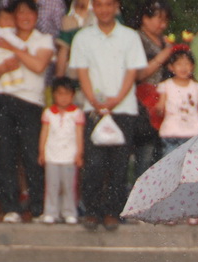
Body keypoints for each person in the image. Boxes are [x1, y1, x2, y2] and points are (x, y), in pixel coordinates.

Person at [69, 0, 146, 231]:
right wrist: (94, 100)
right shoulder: (83, 37)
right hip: (93, 109)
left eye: (108, 5)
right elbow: (81, 71)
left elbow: (132, 71)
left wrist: (114, 100)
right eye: (99, 5)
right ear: (94, 7)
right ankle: (92, 211)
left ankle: (113, 212)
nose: (104, 10)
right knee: (94, 163)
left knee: (119, 164)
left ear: (116, 7)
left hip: (123, 108)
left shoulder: (130, 36)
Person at [0, 1, 53, 223]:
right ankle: (10, 207)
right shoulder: (2, 36)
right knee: (5, 155)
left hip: (30, 102)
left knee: (32, 156)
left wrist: (14, 49)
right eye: (21, 12)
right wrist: (3, 67)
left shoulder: (43, 39)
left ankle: (38, 208)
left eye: (30, 12)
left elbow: (39, 65)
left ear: (37, 15)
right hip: (1, 99)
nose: (25, 16)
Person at [134, 0, 173, 178]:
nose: (162, 24)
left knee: (161, 155)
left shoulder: (163, 41)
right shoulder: (137, 38)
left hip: (163, 104)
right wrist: (162, 57)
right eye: (159, 19)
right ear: (145, 18)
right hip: (143, 105)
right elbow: (139, 74)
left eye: (165, 20)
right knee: (145, 155)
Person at [37, 76, 84, 225]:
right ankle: (51, 212)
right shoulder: (49, 113)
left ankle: (69, 212)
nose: (63, 98)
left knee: (68, 186)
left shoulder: (76, 113)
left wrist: (79, 153)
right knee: (52, 186)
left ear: (72, 95)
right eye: (59, 94)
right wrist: (42, 151)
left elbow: (79, 134)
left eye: (67, 94)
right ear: (54, 95)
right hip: (52, 155)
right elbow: (44, 133)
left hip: (69, 156)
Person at [156, 50, 198, 156]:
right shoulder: (166, 85)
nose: (183, 68)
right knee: (171, 163)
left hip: (193, 133)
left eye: (187, 64)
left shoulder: (197, 87)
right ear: (171, 67)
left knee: (190, 164)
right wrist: (159, 108)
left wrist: (192, 118)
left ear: (192, 67)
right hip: (171, 132)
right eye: (179, 64)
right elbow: (160, 107)